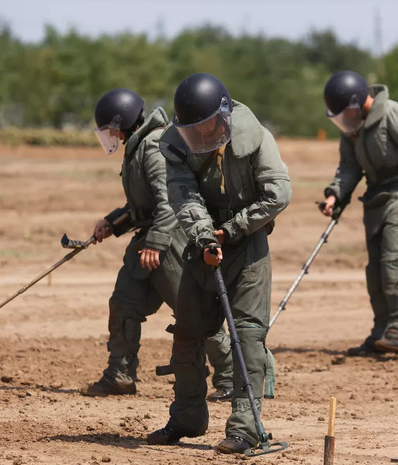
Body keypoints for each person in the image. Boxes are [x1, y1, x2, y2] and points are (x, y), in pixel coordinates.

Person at [146, 73, 291, 454]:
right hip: (203, 243)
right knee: (188, 332)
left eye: (207, 126)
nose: (202, 135)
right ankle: (187, 418)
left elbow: (279, 194)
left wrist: (232, 230)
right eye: (193, 130)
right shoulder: (177, 146)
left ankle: (245, 430)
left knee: (247, 335)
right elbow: (183, 194)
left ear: (224, 113)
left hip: (248, 245)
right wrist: (206, 235)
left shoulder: (256, 136)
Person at [80, 88, 234, 400]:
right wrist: (113, 222)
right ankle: (120, 374)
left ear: (123, 124)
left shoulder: (153, 146)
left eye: (110, 129)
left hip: (170, 243)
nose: (109, 136)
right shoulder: (138, 145)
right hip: (148, 244)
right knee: (124, 303)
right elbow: (143, 204)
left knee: (197, 314)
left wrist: (157, 243)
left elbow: (168, 202)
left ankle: (232, 379)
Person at [319, 70, 398, 357]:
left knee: (394, 263)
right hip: (374, 197)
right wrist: (334, 193)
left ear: (357, 102)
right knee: (374, 271)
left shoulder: (393, 115)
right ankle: (380, 333)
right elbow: (349, 168)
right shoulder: (352, 128)